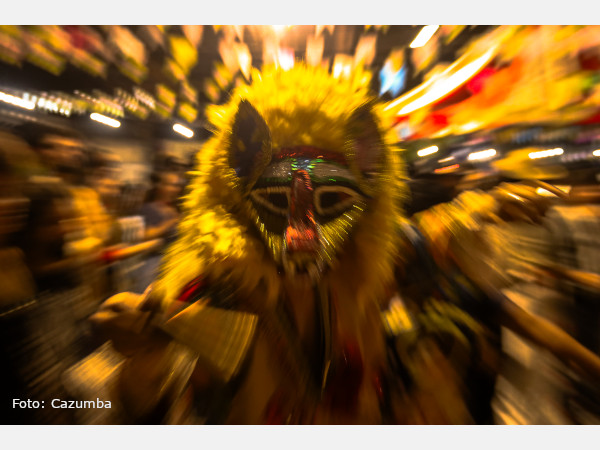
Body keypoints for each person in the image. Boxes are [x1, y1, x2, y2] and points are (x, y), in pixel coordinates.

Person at [90, 64, 600, 424]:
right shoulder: (215, 289)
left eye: (330, 201)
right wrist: (143, 356)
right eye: (278, 201)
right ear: (241, 196)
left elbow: (435, 228)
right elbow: (143, 407)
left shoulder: (371, 265)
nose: (302, 234)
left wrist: (492, 204)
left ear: (367, 195)